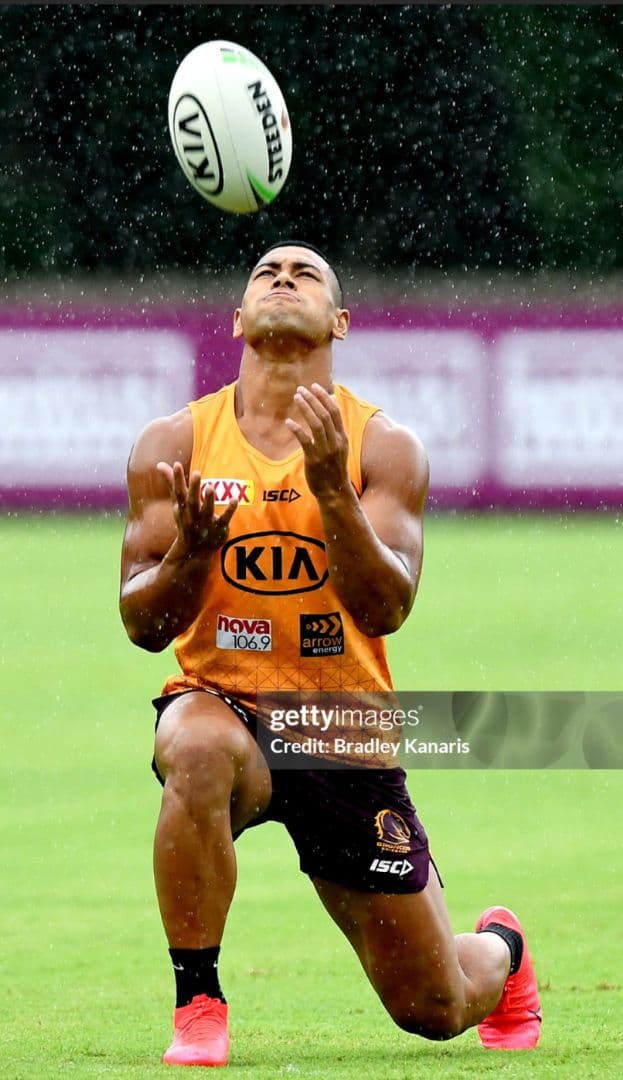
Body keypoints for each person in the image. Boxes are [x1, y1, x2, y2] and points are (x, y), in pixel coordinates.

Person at [119, 241, 542, 1067]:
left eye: (305, 273)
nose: (283, 278)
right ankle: (198, 1002)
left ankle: (502, 950)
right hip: (223, 704)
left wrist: (328, 490)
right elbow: (141, 624)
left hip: (341, 731)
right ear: (237, 320)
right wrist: (191, 555)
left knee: (435, 1006)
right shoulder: (173, 443)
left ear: (339, 322)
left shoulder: (383, 448)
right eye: (265, 273)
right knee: (196, 745)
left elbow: (387, 607)